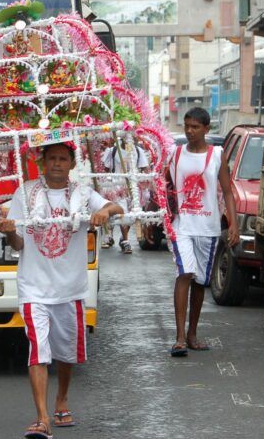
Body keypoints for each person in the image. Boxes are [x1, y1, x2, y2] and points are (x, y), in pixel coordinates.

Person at [0, 142, 123, 439]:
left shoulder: (82, 192)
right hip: (34, 287)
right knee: (38, 351)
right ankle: (42, 419)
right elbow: (19, 245)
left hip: (69, 288)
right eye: (51, 158)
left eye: (62, 159)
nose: (56, 164)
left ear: (71, 163)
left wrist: (104, 211)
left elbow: (117, 207)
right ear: (42, 162)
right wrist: (10, 232)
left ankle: (62, 400)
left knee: (66, 354)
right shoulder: (25, 192)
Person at [166, 107, 238, 357]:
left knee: (199, 281)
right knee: (184, 273)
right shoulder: (174, 155)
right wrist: (166, 210)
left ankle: (192, 333)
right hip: (182, 226)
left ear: (207, 129)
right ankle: (178, 338)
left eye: (195, 127)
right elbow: (164, 185)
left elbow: (227, 191)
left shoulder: (217, 155)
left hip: (207, 227)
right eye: (187, 126)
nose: (189, 131)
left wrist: (234, 224)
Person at [100, 139, 149, 254]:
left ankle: (123, 238)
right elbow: (106, 168)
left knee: (131, 214)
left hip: (133, 187)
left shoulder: (138, 151)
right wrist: (106, 184)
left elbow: (144, 168)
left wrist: (143, 181)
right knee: (122, 212)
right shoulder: (112, 150)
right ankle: (121, 239)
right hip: (116, 186)